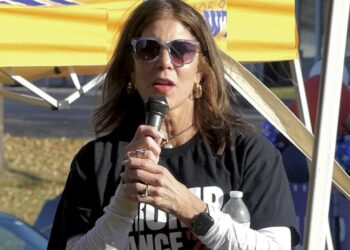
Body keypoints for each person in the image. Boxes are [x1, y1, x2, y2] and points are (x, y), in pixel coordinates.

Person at [48, 0, 300, 249]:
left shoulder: (248, 153)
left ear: (201, 71)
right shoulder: (96, 161)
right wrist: (123, 205)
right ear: (131, 72)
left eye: (182, 50)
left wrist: (190, 208)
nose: (165, 62)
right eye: (148, 49)